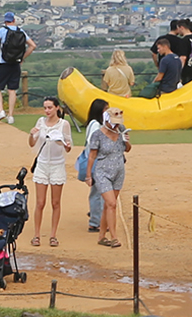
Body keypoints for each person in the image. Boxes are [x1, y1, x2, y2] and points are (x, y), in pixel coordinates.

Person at [81, 99, 130, 246]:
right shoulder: (98, 134)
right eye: (113, 122)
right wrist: (88, 175)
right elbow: (92, 156)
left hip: (119, 171)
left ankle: (101, 236)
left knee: (109, 205)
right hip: (102, 171)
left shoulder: (122, 129)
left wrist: (126, 140)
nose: (116, 125)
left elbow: (127, 149)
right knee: (112, 203)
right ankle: (114, 237)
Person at [25, 94, 72, 246]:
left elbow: (68, 146)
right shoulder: (40, 122)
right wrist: (32, 134)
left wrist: (66, 145)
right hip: (42, 164)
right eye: (45, 108)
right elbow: (32, 144)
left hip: (57, 164)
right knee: (40, 202)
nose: (47, 111)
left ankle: (53, 235)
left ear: (57, 108)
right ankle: (36, 234)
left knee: (55, 202)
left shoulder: (64, 124)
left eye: (50, 107)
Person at [0, 12, 35, 123]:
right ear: (14, 20)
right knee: (12, 90)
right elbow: (32, 45)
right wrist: (22, 58)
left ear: (5, 21)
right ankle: (10, 115)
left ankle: (1, 111)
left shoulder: (2, 30)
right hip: (16, 64)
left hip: (4, 63)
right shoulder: (21, 31)